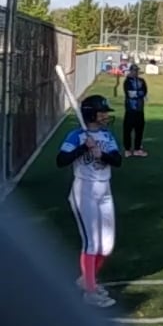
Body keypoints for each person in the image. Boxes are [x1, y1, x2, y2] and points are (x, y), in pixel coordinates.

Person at [56, 95, 123, 309]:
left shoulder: (106, 135)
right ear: (90, 114)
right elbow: (61, 160)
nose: (105, 116)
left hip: (105, 191)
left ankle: (86, 279)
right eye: (101, 112)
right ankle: (91, 292)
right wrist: (84, 148)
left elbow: (117, 160)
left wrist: (100, 153)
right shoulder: (76, 135)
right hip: (84, 190)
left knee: (107, 246)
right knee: (91, 243)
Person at [119, 63, 151, 158]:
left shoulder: (141, 81)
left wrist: (139, 94)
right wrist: (139, 94)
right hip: (130, 109)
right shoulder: (127, 82)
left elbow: (144, 92)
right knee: (127, 130)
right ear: (130, 71)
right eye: (134, 70)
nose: (135, 72)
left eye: (136, 70)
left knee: (139, 130)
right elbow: (130, 93)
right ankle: (127, 149)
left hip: (139, 109)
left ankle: (137, 149)